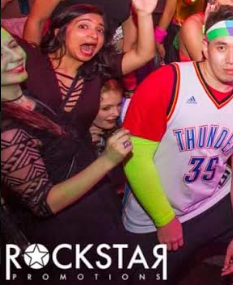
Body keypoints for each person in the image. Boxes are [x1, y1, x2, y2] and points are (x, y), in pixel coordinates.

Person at [121, 6, 233, 284]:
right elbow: (135, 158)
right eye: (221, 47)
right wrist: (163, 219)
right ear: (205, 47)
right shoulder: (168, 81)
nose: (231, 59)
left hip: (211, 198)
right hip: (157, 210)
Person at [1, 27, 135, 280]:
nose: (14, 56)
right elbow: (45, 203)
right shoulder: (6, 132)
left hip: (91, 204)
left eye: (12, 46)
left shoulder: (24, 94)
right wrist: (107, 160)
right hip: (66, 230)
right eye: (0, 55)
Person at [18, 0, 160, 140]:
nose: (93, 35)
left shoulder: (97, 71)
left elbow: (144, 54)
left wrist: (144, 14)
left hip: (80, 154)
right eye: (83, 26)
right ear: (59, 32)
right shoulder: (30, 61)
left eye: (100, 30)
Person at [88, 78, 123, 150]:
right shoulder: (70, 140)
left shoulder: (123, 126)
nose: (116, 113)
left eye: (119, 105)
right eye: (106, 108)